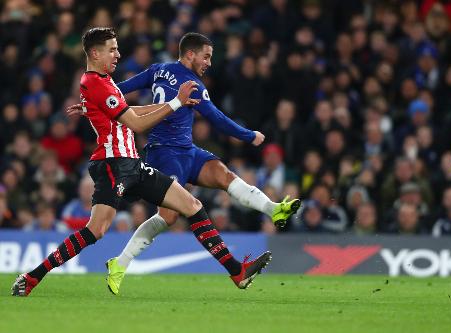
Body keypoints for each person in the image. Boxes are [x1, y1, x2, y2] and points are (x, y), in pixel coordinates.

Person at [12, 27, 271, 297]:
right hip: (113, 165)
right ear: (95, 53)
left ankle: (236, 272)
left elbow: (130, 110)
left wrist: (177, 103)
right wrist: (174, 104)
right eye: (112, 49)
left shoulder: (106, 82)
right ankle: (31, 277)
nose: (118, 54)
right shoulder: (95, 83)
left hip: (133, 163)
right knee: (96, 230)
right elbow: (135, 123)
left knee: (192, 205)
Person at [68, 32, 301, 295]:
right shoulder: (192, 85)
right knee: (169, 216)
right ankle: (120, 263)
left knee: (224, 175)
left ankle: (273, 210)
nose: (209, 63)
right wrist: (250, 136)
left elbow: (120, 88)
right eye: (206, 56)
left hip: (187, 150)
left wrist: (91, 104)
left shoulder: (158, 70)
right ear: (190, 54)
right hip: (163, 153)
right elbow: (218, 119)